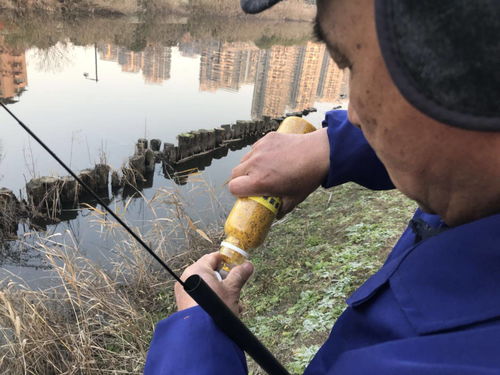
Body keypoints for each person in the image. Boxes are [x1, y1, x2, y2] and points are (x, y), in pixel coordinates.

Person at [145, 0, 500, 373]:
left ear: (464, 75)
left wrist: (197, 337)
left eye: (351, 64)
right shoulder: (475, 198)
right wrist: (332, 147)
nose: (355, 116)